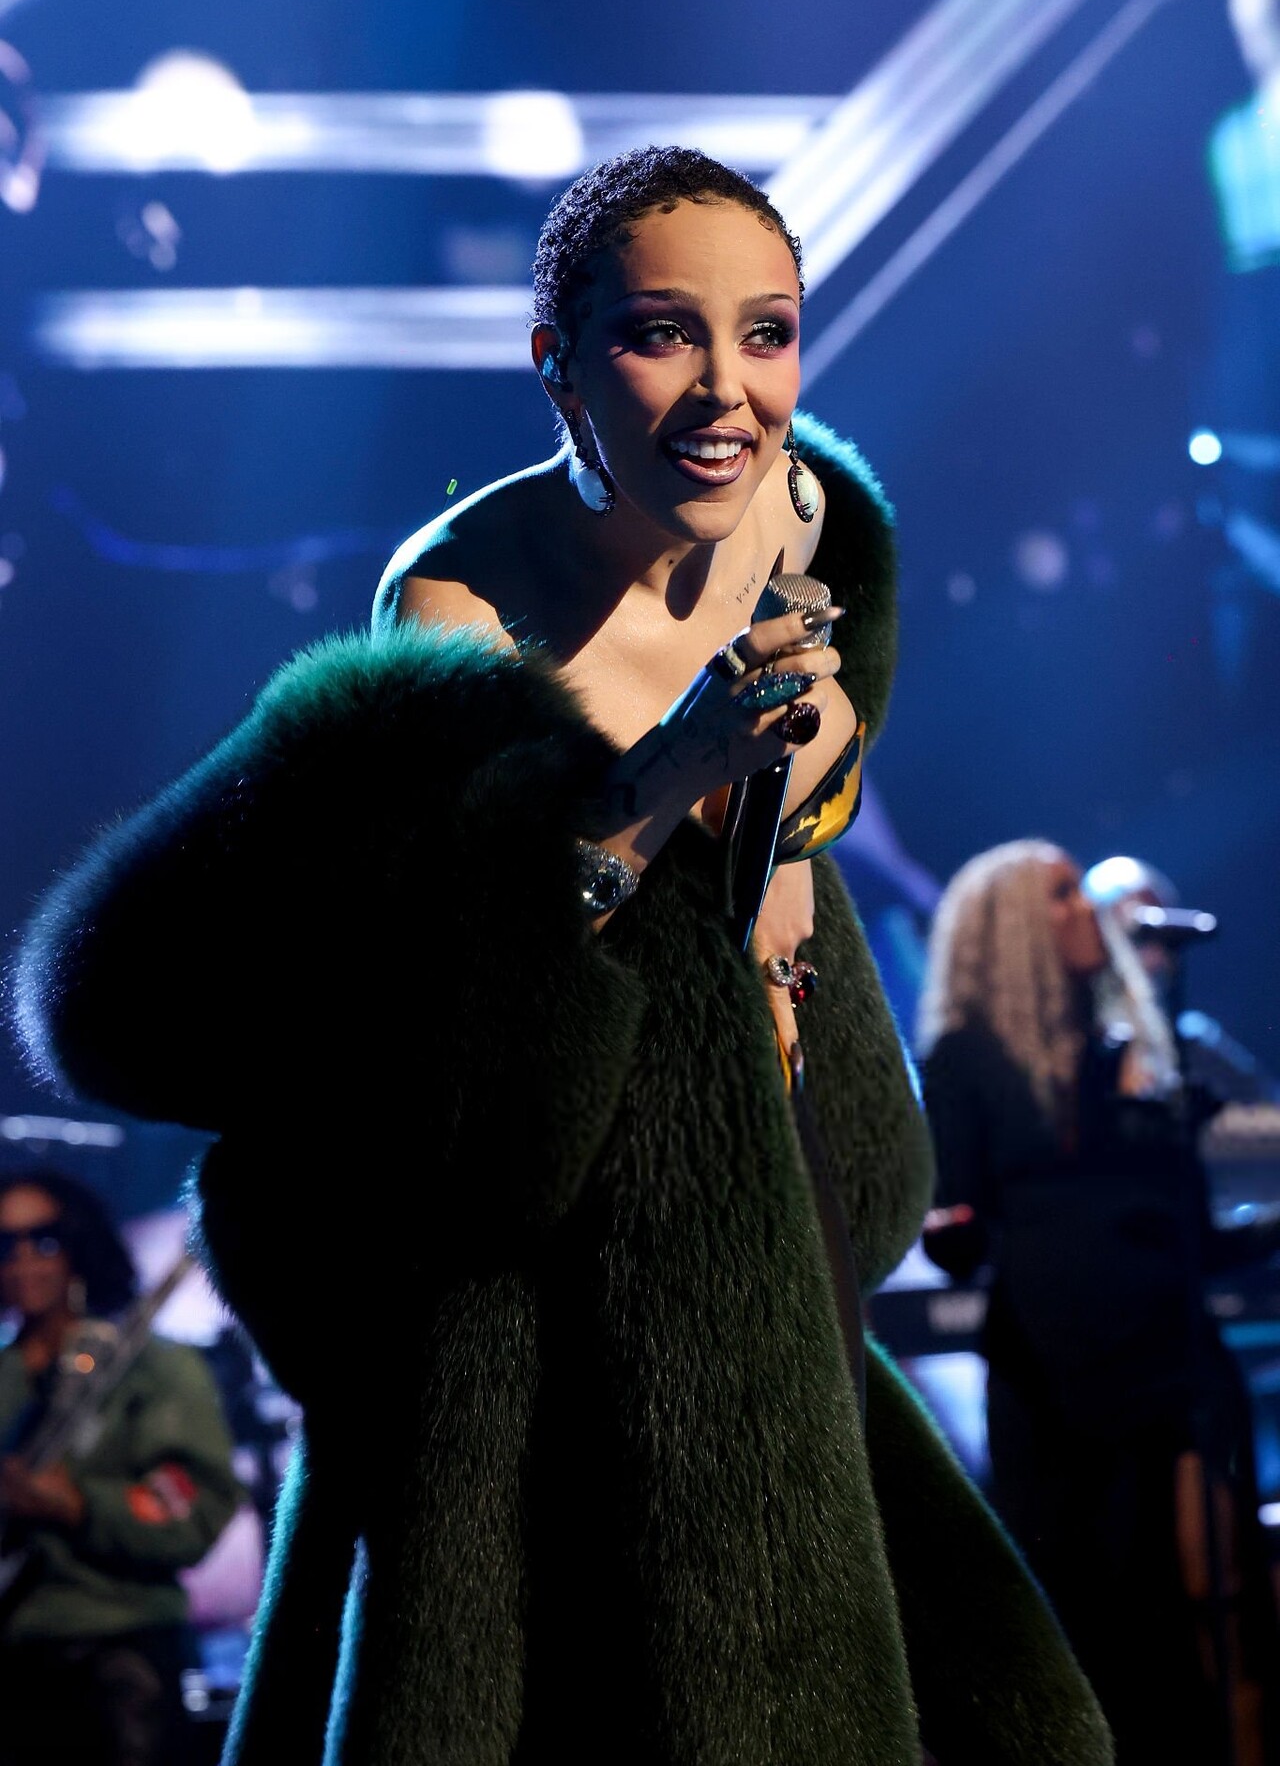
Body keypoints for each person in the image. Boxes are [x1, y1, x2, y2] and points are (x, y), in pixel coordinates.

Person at [15, 149, 1111, 1764]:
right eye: (663, 333)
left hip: (786, 1262)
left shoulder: (814, 525)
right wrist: (663, 785)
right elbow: (469, 1055)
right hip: (533, 1352)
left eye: (768, 331)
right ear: (560, 364)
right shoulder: (453, 619)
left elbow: (810, 810)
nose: (728, 392)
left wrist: (789, 830)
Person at [918, 840, 1280, 1766]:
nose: (1089, 909)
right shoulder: (970, 1061)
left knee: (1224, 1606)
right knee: (1100, 1625)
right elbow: (958, 1232)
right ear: (1011, 928)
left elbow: (1195, 1236)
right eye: (1065, 894)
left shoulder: (1142, 1056)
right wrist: (946, 1229)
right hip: (1059, 1386)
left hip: (1174, 1367)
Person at [0, 1169, 241, 1766]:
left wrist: (77, 1504)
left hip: (122, 1662)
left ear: (78, 1243)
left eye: (44, 1239)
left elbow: (194, 1514)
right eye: (5, 1243)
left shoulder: (153, 1369)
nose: (24, 1259)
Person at [1083, 853, 1280, 1107]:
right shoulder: (1084, 1043)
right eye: (1138, 938)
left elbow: (1267, 1105)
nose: (1155, 959)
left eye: (1161, 940)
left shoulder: (1191, 1043)